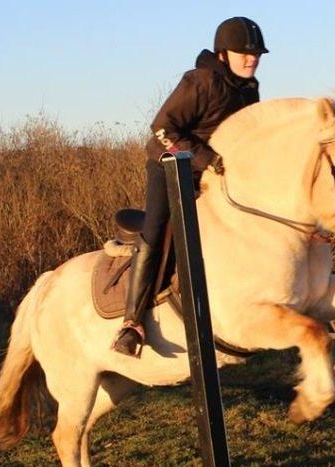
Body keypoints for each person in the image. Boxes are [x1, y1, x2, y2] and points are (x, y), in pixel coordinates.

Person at [113, 17, 268, 357]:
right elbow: (162, 129)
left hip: (213, 174)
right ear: (223, 54)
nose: (252, 58)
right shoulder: (200, 81)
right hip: (169, 167)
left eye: (256, 53)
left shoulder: (249, 88)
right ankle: (132, 323)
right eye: (244, 52)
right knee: (156, 231)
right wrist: (207, 158)